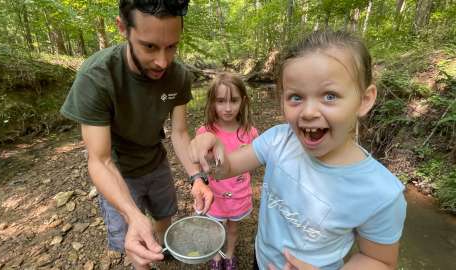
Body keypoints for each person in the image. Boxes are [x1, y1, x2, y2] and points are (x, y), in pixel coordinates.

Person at [189, 30, 407, 270]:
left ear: (364, 100)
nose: (308, 112)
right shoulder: (278, 140)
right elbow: (226, 169)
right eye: (295, 97)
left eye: (330, 96)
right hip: (262, 258)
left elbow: (379, 260)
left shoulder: (382, 194)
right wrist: (211, 148)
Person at [59, 1, 213, 269]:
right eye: (149, 46)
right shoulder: (97, 77)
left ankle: (168, 255)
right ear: (123, 28)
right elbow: (100, 160)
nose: (163, 61)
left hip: (156, 162)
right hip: (119, 174)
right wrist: (131, 213)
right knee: (138, 245)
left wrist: (197, 177)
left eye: (172, 46)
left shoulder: (179, 76)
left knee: (165, 218)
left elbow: (178, 133)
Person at [195, 73, 258, 270]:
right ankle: (216, 256)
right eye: (221, 101)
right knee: (216, 228)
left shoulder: (250, 133)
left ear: (244, 101)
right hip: (214, 195)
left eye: (234, 100)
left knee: (232, 227)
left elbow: (254, 162)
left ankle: (229, 255)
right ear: (212, 102)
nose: (228, 108)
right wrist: (198, 181)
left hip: (239, 195)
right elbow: (196, 162)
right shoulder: (204, 133)